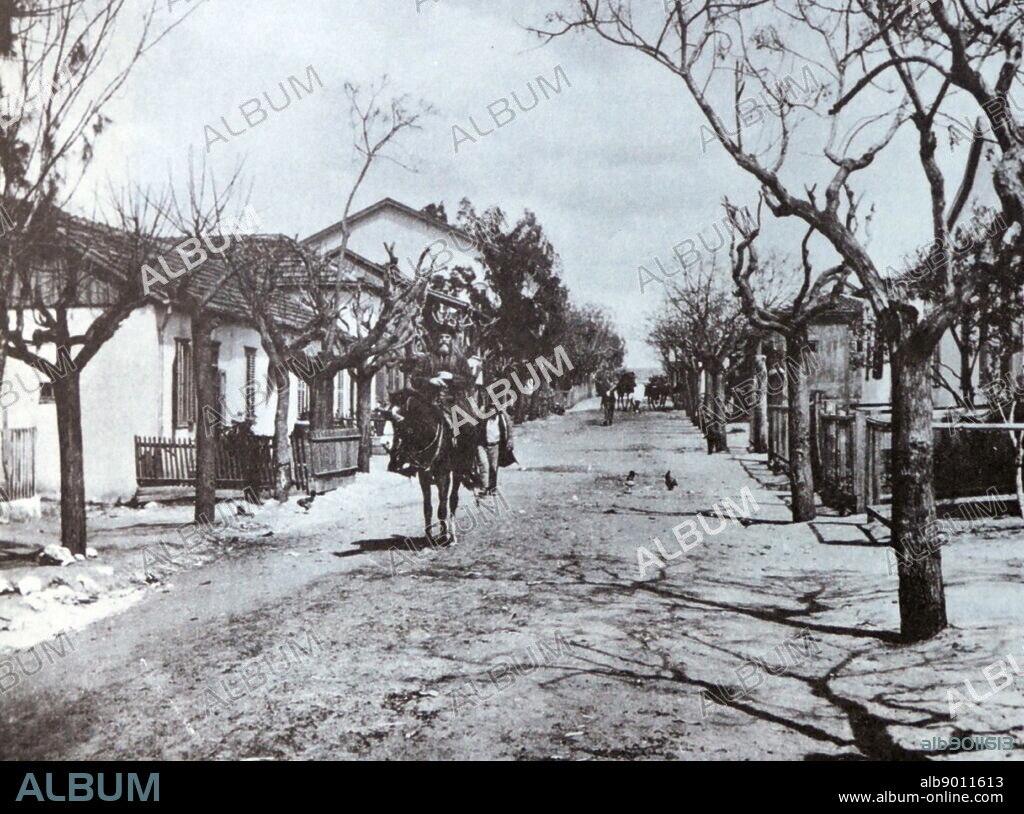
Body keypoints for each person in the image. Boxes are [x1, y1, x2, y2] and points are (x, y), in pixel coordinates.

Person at [390, 327, 482, 487]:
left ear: (451, 340)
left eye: (447, 337)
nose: (443, 340)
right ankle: (406, 461)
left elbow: (469, 382)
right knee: (408, 424)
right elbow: (415, 379)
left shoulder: (460, 360)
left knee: (469, 428)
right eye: (441, 337)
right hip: (429, 401)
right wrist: (430, 381)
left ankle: (466, 469)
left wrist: (452, 377)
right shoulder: (426, 359)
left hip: (454, 402)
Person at [476, 390, 514, 496]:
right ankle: (484, 487)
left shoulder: (502, 417)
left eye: (494, 408)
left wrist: (510, 440)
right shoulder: (482, 416)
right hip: (482, 445)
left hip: (495, 445)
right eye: (490, 408)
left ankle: (492, 487)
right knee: (484, 465)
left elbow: (509, 427)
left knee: (493, 467)